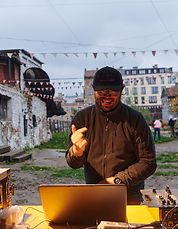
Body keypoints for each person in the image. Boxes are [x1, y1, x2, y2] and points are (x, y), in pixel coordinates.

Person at [66, 66, 157, 205]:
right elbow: (73, 163)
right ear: (94, 90)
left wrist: (116, 181)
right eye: (102, 91)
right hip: (95, 193)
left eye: (113, 91)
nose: (107, 95)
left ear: (121, 90)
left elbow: (148, 162)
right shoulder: (82, 118)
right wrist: (77, 152)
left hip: (129, 196)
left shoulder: (135, 119)